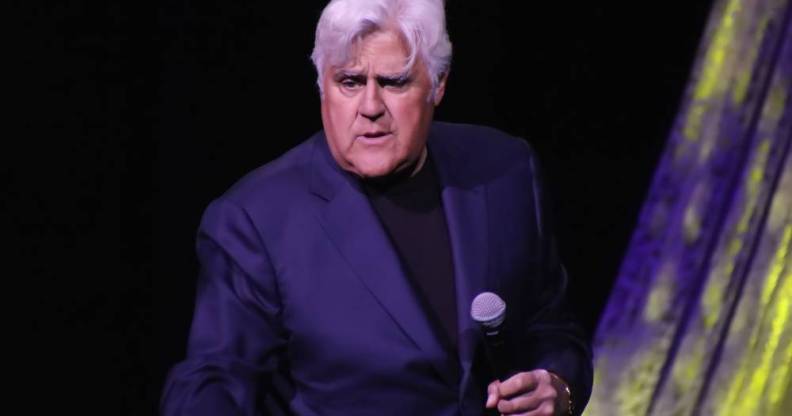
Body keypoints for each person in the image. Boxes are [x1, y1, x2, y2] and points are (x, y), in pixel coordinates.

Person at [161, 0, 592, 414]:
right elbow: (215, 377)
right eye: (349, 81)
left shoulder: (504, 170)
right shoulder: (255, 219)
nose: (370, 107)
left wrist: (560, 385)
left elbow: (550, 324)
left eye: (394, 82)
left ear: (438, 85)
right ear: (321, 84)